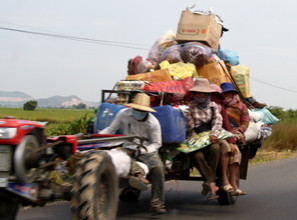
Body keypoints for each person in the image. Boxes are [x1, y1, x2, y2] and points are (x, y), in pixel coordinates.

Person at [99, 93, 166, 215]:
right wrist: (98, 140)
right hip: (128, 146)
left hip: (146, 149)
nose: (138, 112)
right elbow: (111, 129)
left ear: (146, 111)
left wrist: (142, 151)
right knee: (119, 157)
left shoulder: (153, 122)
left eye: (141, 110)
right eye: (136, 109)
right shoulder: (123, 114)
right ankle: (138, 175)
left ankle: (157, 204)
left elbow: (156, 144)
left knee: (158, 168)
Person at [185, 78, 222, 201]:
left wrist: (214, 134)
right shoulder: (190, 107)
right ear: (194, 94)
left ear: (208, 94)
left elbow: (217, 121)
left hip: (210, 136)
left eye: (203, 93)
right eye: (198, 93)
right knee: (196, 156)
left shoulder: (213, 106)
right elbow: (189, 126)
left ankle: (208, 182)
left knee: (216, 149)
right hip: (196, 137)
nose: (200, 96)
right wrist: (194, 140)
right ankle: (211, 183)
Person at [210, 84, 246, 195]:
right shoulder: (197, 107)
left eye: (217, 96)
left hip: (222, 134)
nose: (214, 98)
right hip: (205, 137)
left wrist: (234, 137)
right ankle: (222, 180)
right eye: (211, 95)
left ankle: (232, 182)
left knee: (234, 150)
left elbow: (228, 125)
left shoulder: (222, 108)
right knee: (224, 147)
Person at [220, 82, 249, 196]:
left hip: (234, 131)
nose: (227, 96)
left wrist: (240, 130)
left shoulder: (241, 106)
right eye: (225, 94)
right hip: (220, 131)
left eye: (229, 93)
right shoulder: (218, 104)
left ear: (233, 94)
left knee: (235, 152)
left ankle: (233, 182)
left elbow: (245, 122)